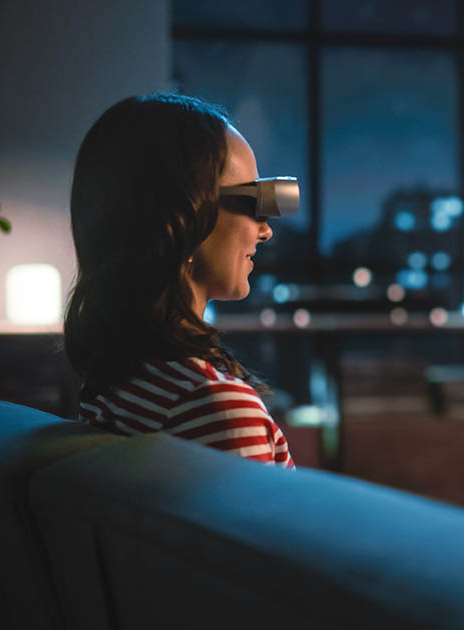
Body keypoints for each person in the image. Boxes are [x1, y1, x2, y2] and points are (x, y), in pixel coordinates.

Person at [63, 93, 293, 468]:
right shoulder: (220, 411)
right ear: (182, 220)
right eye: (252, 200)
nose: (265, 230)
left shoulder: (115, 388)